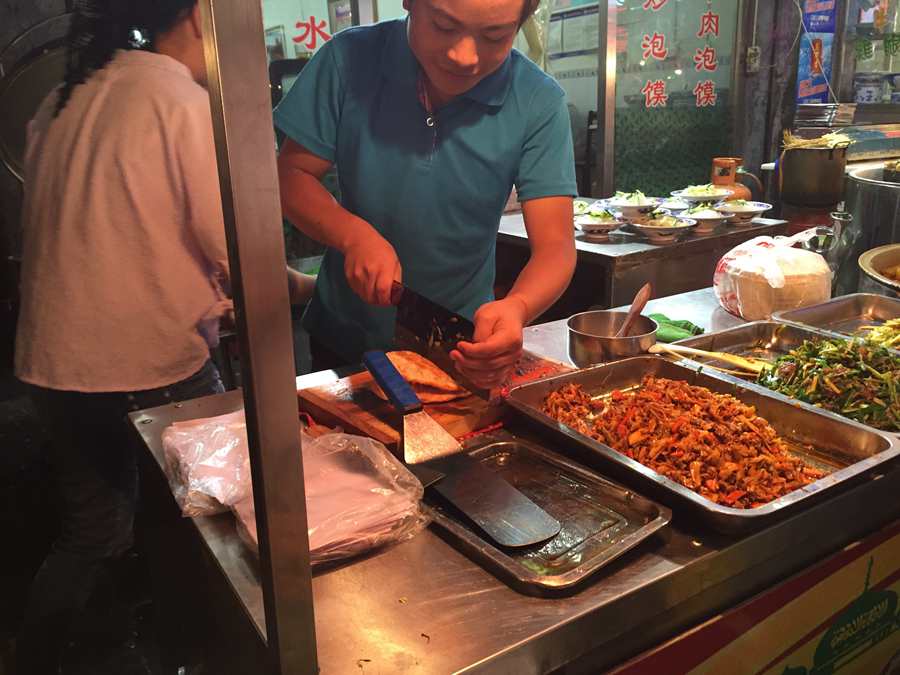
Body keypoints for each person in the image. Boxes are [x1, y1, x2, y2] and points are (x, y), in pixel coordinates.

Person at [11, 1, 312, 672]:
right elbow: (239, 244)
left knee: (94, 531)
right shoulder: (182, 100)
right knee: (222, 522)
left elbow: (113, 232)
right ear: (208, 15)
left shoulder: (67, 94)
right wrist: (307, 286)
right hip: (148, 363)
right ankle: (218, 653)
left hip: (53, 364)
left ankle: (38, 653)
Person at [276, 0, 577, 387]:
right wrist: (352, 236)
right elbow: (292, 174)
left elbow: (555, 248)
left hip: (460, 345)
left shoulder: (537, 100)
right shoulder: (346, 59)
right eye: (443, 25)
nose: (464, 56)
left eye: (495, 36)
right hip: (344, 338)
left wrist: (516, 308)